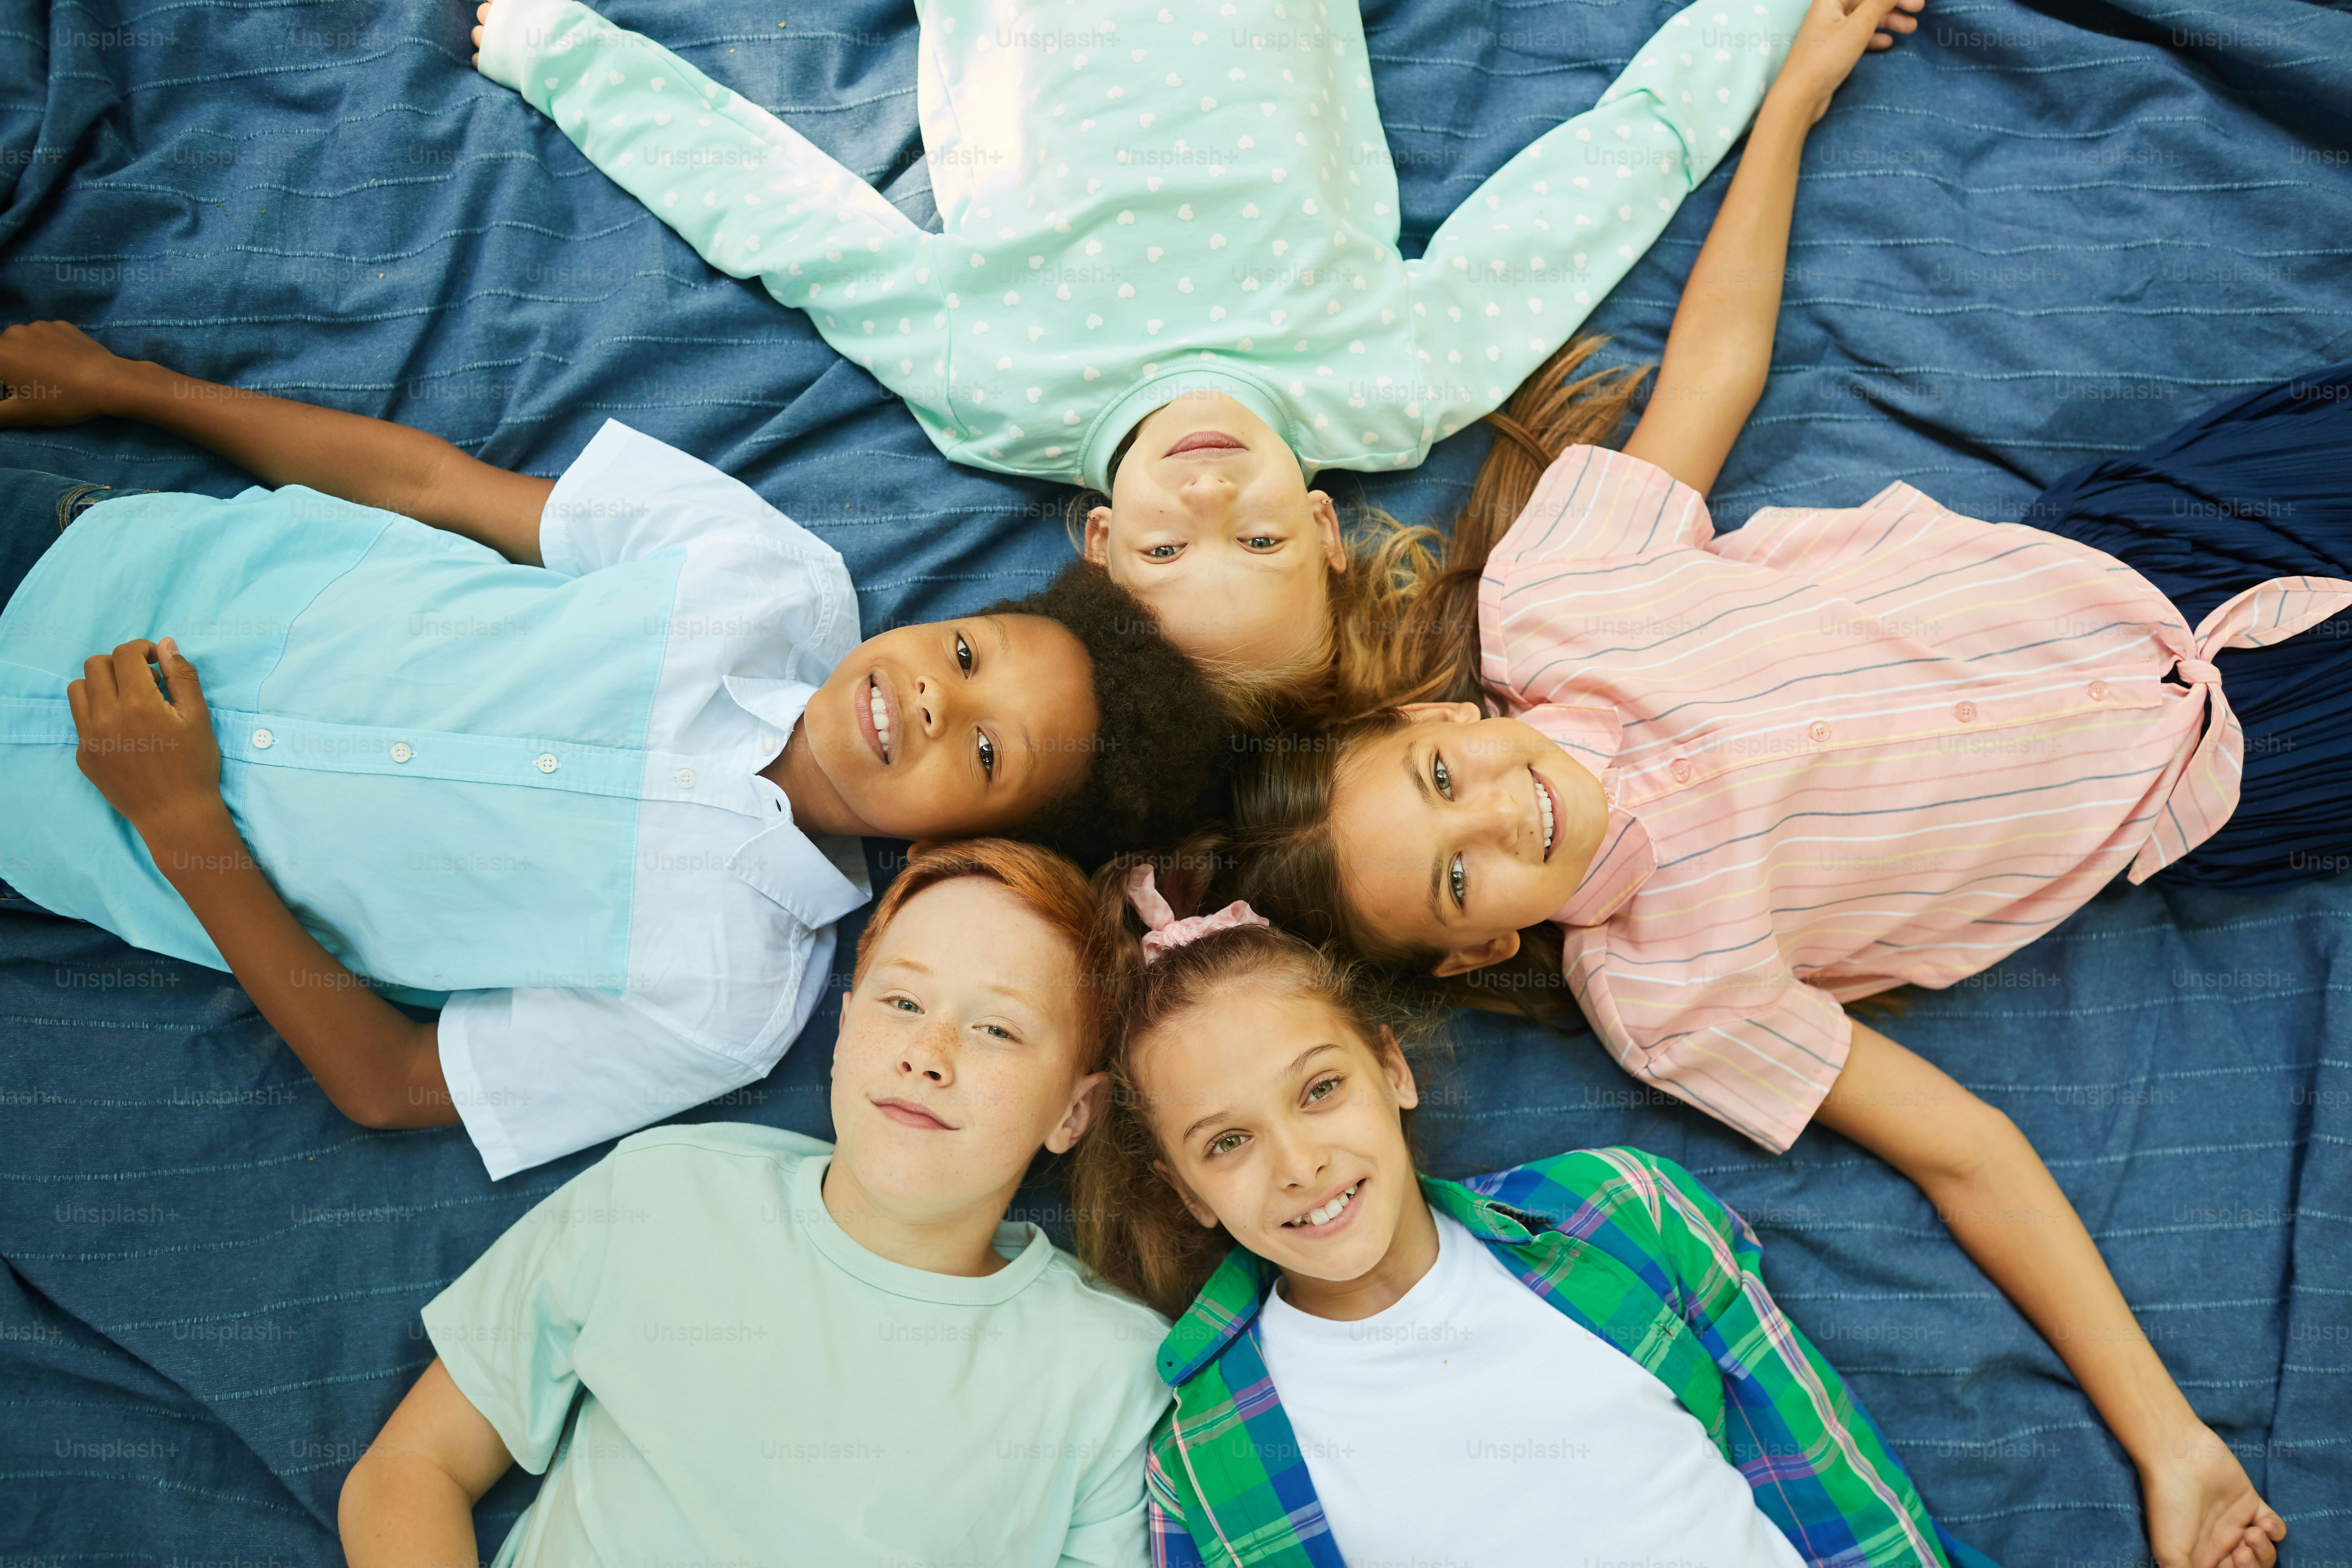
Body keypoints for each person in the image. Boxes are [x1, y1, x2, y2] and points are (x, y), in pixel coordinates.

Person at [1200, 0, 2339, 1557]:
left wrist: (1791, 98)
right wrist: (2171, 1443)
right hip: (2228, 768)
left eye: (1447, 771)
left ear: (1441, 714)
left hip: (2146, 552)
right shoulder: (1673, 997)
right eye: (1461, 873)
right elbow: (1966, 1147)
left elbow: (1714, 374)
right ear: (1476, 948)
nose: (1497, 808)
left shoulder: (1561, 600)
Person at [0, 318, 1232, 1178]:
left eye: (982, 755)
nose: (926, 700)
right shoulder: (768, 577)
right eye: (965, 653)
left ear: (970, 846)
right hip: (108, 563)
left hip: (49, 817)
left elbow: (391, 1082)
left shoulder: (729, 996)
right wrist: (132, 388)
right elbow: (435, 487)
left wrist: (182, 830)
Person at [463, 0, 1925, 709]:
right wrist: (1776, 26)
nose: (1212, 500)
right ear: (1332, 533)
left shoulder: (1000, 395)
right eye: (1265, 543)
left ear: (1101, 543)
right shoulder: (1396, 379)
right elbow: (1616, 167)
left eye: (1171, 553)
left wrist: (565, 56)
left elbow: (779, 217)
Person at [1071, 859, 1999, 1568]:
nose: (1299, 1164)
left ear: (1392, 1071)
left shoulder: (1622, 1214)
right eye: (1227, 1144)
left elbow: (1838, 1485)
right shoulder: (1200, 1454)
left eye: (1320, 1089)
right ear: (1187, 1191)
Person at [338, 838, 1172, 1566]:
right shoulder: (661, 1194)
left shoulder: (1113, 1376)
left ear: (1075, 1113)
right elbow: (412, 1469)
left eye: (997, 1030)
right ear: (844, 1030)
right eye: (903, 1002)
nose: (929, 1053)